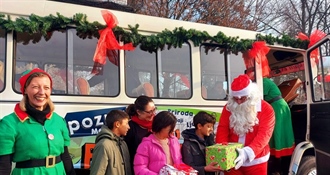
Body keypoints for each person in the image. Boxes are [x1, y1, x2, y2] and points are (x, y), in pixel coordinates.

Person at [0, 68, 75, 175]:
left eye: (46, 88)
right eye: (35, 87)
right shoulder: (9, 123)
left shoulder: (59, 121)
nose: (42, 92)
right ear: (25, 89)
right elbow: (3, 165)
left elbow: (65, 157)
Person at [215, 74, 275, 175]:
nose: (238, 102)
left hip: (257, 161)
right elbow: (222, 129)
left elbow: (264, 136)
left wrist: (247, 153)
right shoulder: (229, 107)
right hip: (231, 160)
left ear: (251, 96)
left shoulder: (267, 109)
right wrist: (222, 152)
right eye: (235, 98)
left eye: (242, 98)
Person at [263, 77, 295, 175]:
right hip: (276, 106)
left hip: (278, 107)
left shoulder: (264, 81)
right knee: (277, 132)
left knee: (278, 131)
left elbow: (258, 96)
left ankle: (279, 157)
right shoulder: (264, 81)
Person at [90, 110, 132, 175]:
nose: (128, 127)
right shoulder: (103, 145)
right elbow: (97, 172)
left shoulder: (123, 144)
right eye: (126, 123)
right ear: (117, 124)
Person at [124, 95, 156, 172]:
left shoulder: (157, 123)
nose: (153, 114)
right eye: (149, 112)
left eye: (154, 110)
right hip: (137, 167)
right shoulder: (130, 127)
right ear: (139, 112)